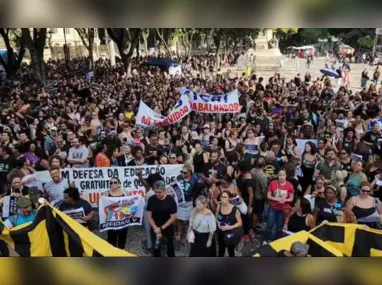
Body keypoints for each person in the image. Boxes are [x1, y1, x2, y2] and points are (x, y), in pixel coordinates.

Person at [146, 180, 177, 257]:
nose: (157, 194)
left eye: (159, 192)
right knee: (156, 247)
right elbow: (149, 216)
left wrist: (161, 229)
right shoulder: (151, 200)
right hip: (155, 228)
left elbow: (173, 217)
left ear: (165, 190)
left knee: (170, 247)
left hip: (167, 228)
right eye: (155, 192)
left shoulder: (171, 200)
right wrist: (156, 228)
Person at [265, 168, 294, 243]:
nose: (281, 177)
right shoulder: (273, 183)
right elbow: (268, 195)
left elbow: (291, 198)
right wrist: (276, 199)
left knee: (279, 227)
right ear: (277, 175)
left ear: (286, 176)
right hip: (273, 207)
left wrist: (285, 200)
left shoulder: (290, 186)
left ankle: (276, 240)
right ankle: (267, 238)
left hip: (283, 210)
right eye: (280, 175)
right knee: (269, 224)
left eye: (283, 175)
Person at [102, 177, 129, 249]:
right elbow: (101, 205)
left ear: (119, 184)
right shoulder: (106, 193)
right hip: (111, 219)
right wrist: (112, 205)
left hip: (122, 218)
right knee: (111, 237)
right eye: (111, 183)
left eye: (115, 182)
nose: (113, 184)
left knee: (122, 236)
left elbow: (130, 203)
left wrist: (120, 204)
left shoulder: (125, 192)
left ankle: (121, 250)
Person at [176, 164, 199, 243]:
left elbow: (198, 189)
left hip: (189, 202)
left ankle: (188, 232)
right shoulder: (179, 177)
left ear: (190, 172)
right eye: (182, 172)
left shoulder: (195, 179)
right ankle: (180, 232)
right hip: (180, 202)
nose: (183, 174)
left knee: (189, 219)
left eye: (185, 173)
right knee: (179, 218)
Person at [215, 190, 243, 257]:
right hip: (221, 232)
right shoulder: (219, 206)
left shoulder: (235, 209)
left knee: (231, 251)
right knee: (221, 249)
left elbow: (240, 223)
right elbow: (216, 216)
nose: (222, 199)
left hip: (230, 233)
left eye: (225, 197)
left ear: (229, 198)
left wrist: (229, 227)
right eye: (221, 197)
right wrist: (218, 222)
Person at [250, 157, 268, 234]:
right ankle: (254, 228)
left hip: (252, 194)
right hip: (259, 197)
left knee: (254, 212)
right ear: (264, 164)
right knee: (256, 213)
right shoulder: (263, 176)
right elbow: (264, 190)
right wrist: (266, 198)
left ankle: (254, 224)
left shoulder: (252, 171)